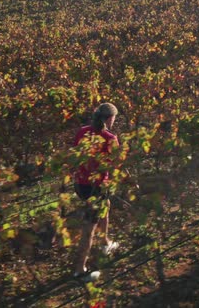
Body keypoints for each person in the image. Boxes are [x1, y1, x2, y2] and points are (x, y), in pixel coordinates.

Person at [73, 102, 120, 279]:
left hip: (80, 185)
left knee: (105, 206)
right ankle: (80, 270)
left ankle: (104, 242)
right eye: (114, 118)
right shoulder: (109, 138)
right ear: (109, 119)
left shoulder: (82, 131)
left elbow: (76, 155)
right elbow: (116, 163)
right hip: (96, 187)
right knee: (89, 228)